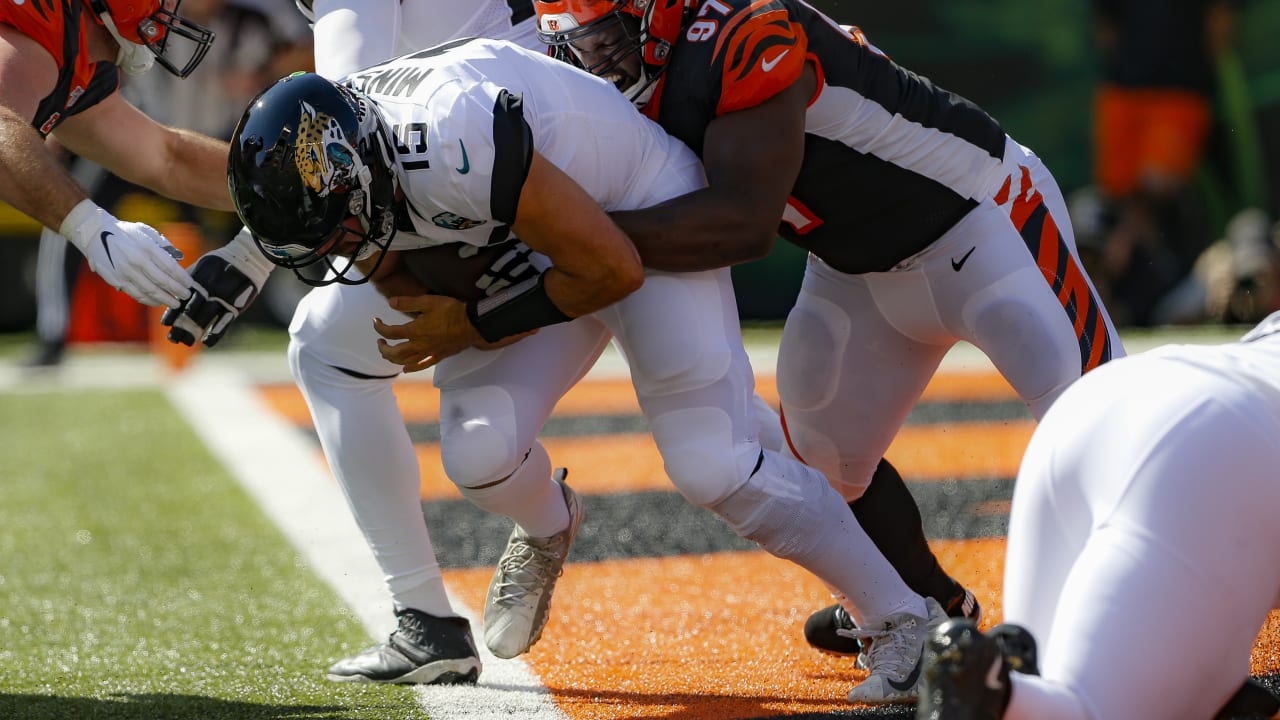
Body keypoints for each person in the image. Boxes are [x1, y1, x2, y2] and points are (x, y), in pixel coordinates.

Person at [229, 40, 947, 704]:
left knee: (713, 463)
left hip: (640, 210)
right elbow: (400, 260)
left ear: (359, 170)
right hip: (537, 236)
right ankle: (548, 526)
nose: (343, 249)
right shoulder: (350, 156)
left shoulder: (453, 138)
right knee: (477, 456)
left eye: (341, 228)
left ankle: (904, 621)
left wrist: (474, 322)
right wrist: (452, 296)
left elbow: (611, 265)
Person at [531, 0, 1124, 659]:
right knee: (826, 466)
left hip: (985, 226)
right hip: (857, 273)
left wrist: (579, 238)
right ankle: (928, 610)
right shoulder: (624, 81)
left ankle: (1154, 629)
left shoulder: (743, 29)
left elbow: (744, 223)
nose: (597, 60)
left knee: (1106, 430)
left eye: (607, 36)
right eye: (577, 43)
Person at [916, 313, 1280, 720]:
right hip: (1213, 446)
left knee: (1035, 683)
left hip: (1101, 400)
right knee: (1084, 711)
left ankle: (998, 685)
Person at [0, 0, 224, 311]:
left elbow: (168, 159)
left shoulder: (79, 59)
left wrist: (285, 188)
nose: (170, 9)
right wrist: (90, 226)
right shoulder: (41, 35)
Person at [1090, 0, 1236, 326]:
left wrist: (1203, 73)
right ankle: (1119, 303)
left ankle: (1163, 299)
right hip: (1123, 87)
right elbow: (1107, 25)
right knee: (1116, 197)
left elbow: (1220, 19)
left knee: (1157, 189)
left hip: (1182, 88)